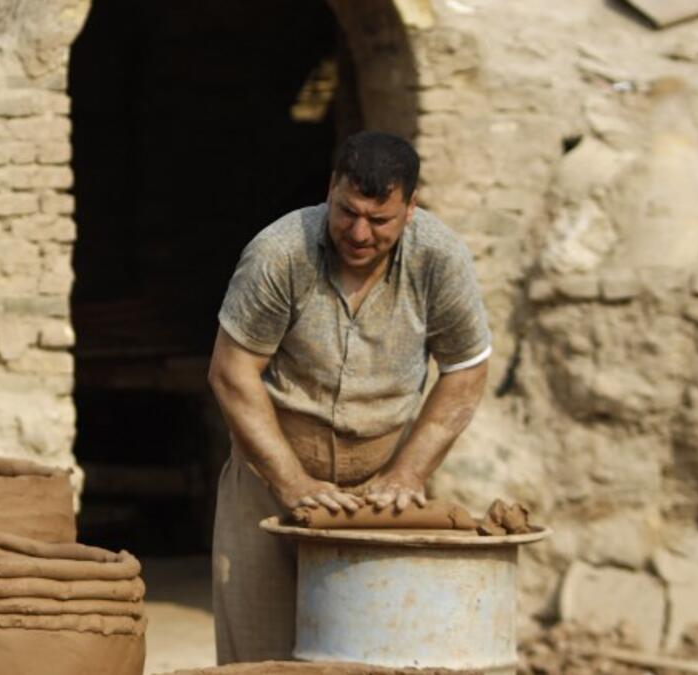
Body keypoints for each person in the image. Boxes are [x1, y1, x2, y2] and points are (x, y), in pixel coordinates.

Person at [207, 130, 492, 663]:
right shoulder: (279, 253)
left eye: (379, 220)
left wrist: (408, 473)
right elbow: (231, 374)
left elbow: (466, 370)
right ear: (330, 190)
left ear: (410, 209)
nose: (358, 233)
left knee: (373, 652)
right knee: (258, 657)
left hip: (381, 493)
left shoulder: (440, 259)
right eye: (347, 212)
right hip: (268, 481)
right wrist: (292, 483)